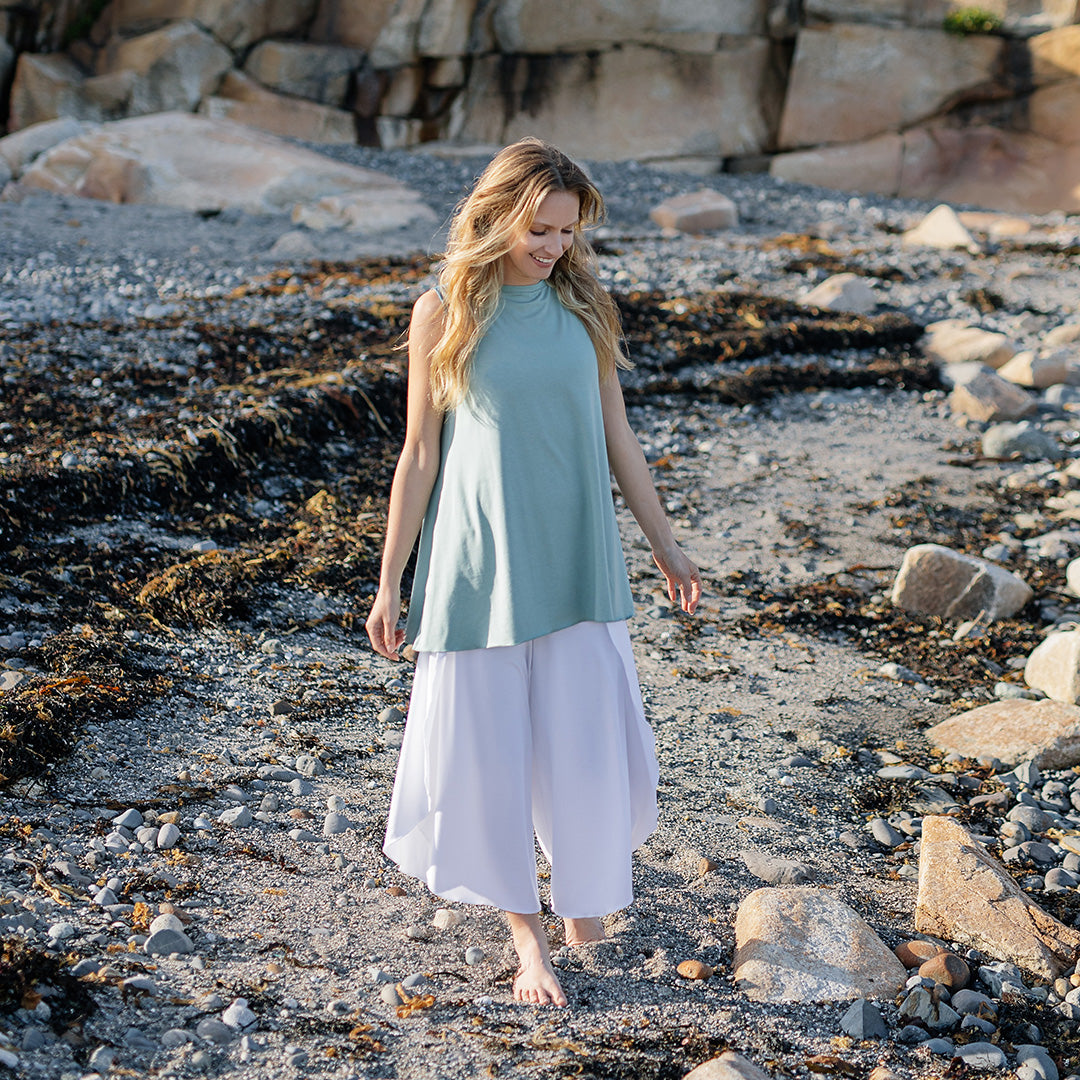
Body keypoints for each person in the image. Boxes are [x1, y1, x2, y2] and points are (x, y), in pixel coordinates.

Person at [365, 137, 701, 1007]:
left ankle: (584, 903)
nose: (553, 247)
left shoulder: (584, 308)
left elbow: (616, 436)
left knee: (585, 749)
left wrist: (664, 543)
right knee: (489, 755)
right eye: (540, 229)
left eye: (566, 232)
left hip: (579, 556)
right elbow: (418, 453)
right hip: (480, 566)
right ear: (497, 213)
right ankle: (529, 942)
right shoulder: (443, 310)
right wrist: (390, 578)